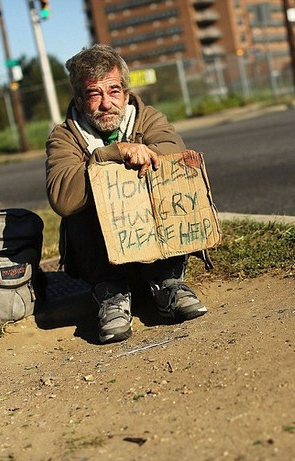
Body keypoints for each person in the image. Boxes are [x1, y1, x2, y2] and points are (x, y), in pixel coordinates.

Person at [45, 44, 207, 344]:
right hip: (101, 259)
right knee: (85, 197)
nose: (107, 104)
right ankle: (111, 294)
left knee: (168, 178)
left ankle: (168, 282)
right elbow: (63, 198)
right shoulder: (63, 136)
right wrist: (110, 155)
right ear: (79, 100)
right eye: (94, 94)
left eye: (114, 91)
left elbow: (174, 157)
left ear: (126, 92)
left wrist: (143, 154)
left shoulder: (148, 118)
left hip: (157, 251)